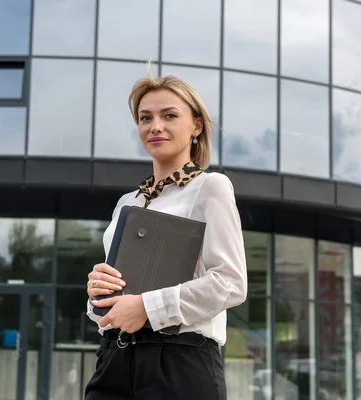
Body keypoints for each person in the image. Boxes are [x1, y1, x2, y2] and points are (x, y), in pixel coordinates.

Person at [84, 71, 248, 400]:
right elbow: (117, 297)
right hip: (114, 358)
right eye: (146, 118)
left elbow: (230, 282)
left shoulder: (210, 187)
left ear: (197, 126)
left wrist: (147, 307)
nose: (155, 126)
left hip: (180, 362)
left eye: (169, 115)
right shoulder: (126, 203)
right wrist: (97, 293)